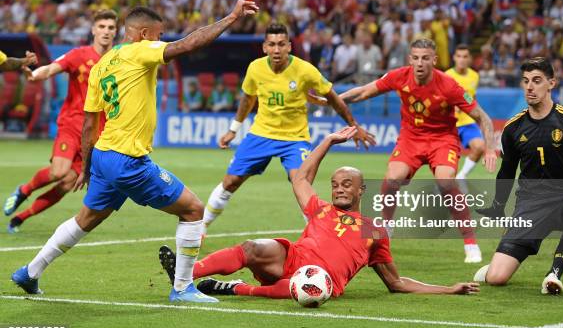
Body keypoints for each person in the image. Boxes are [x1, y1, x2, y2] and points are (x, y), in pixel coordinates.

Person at [10, 0, 259, 303]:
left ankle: (30, 272)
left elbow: (90, 124)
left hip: (103, 154)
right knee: (194, 210)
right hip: (127, 159)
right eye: (158, 35)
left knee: (85, 219)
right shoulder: (141, 50)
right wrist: (231, 17)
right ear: (143, 34)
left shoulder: (102, 65)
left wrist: (88, 167)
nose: (160, 41)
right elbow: (189, 44)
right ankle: (182, 288)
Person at [158, 127, 480, 299]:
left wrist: (448, 288)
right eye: (336, 184)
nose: (338, 189)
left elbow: (396, 283)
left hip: (321, 281)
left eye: (346, 184)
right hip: (292, 259)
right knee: (251, 248)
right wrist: (327, 141)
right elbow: (300, 178)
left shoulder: (374, 230)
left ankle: (238, 288)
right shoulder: (319, 209)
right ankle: (188, 273)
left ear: (360, 190)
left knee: (301, 286)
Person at [201, 23, 374, 238]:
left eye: (281, 44)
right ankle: (200, 228)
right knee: (230, 182)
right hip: (261, 134)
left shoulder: (305, 70)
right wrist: (233, 130)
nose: (276, 50)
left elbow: (333, 98)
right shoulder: (255, 68)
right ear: (264, 47)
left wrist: (354, 126)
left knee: (302, 186)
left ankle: (318, 239)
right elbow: (247, 99)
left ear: (289, 46)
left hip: (295, 139)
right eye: (272, 44)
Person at [339, 38, 498, 263]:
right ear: (410, 59)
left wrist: (490, 148)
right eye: (415, 58)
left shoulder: (449, 86)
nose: (420, 63)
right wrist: (332, 99)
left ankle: (470, 242)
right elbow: (363, 92)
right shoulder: (398, 76)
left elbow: (482, 116)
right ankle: (387, 226)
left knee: (446, 182)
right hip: (410, 138)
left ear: (434, 60)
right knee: (392, 178)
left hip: (442, 139)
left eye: (425, 58)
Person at [474, 57, 563, 294]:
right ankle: (495, 266)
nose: (530, 87)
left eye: (537, 81)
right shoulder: (513, 129)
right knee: (496, 278)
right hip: (531, 203)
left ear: (551, 83)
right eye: (526, 81)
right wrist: (497, 205)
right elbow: (506, 171)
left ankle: (554, 273)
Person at [4, 9, 118, 233]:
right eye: (102, 27)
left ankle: (20, 218)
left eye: (111, 27)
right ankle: (24, 190)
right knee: (58, 171)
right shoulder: (79, 55)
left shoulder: (119, 61)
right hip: (72, 124)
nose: (106, 31)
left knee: (67, 184)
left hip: (97, 135)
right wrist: (35, 75)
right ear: (93, 30)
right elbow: (51, 69)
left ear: (116, 32)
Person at [445, 45, 486, 181]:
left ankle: (461, 177)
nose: (462, 60)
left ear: (469, 59)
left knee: (479, 147)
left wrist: (476, 114)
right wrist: (452, 104)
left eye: (465, 56)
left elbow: (470, 97)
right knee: (446, 162)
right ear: (454, 58)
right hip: (449, 123)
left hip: (467, 122)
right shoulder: (447, 76)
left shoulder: (474, 76)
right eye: (459, 56)